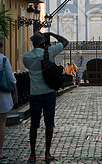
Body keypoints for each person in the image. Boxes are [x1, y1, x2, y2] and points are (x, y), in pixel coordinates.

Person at [23, 32, 69, 163]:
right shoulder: (50, 52)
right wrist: (52, 34)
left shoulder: (26, 56)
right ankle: (47, 153)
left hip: (34, 94)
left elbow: (28, 68)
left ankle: (32, 154)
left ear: (33, 43)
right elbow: (65, 41)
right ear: (44, 42)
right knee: (49, 123)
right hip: (49, 92)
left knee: (34, 124)